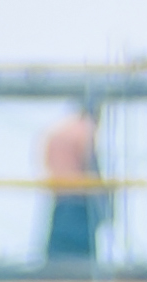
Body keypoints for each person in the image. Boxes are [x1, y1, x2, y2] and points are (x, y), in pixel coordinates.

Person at [39, 104, 108, 266]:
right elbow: (91, 167)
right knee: (84, 261)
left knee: (56, 260)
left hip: (59, 201)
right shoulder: (86, 130)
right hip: (80, 204)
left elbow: (46, 164)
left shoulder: (57, 132)